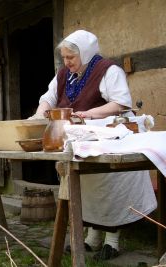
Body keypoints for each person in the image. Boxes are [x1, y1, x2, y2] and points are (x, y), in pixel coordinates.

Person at [29, 30, 157, 261]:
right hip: (77, 141)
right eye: (64, 57)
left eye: (71, 58)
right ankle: (91, 237)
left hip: (106, 138)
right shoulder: (64, 75)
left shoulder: (108, 71)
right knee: (85, 190)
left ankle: (112, 240)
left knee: (109, 188)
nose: (66, 62)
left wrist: (88, 113)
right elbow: (48, 98)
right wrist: (39, 115)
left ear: (85, 54)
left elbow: (120, 103)